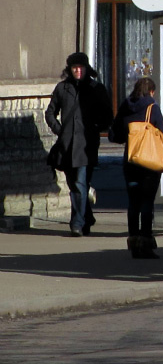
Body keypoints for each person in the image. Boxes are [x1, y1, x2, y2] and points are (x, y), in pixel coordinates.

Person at [44, 52, 112, 237]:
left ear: (86, 68)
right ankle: (87, 218)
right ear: (70, 69)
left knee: (80, 183)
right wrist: (59, 130)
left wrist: (95, 127)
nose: (77, 70)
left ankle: (77, 223)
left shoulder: (96, 88)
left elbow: (107, 115)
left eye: (80, 67)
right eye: (74, 67)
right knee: (75, 184)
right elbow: (50, 113)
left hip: (86, 145)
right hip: (66, 145)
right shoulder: (62, 88)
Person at [110, 77, 163, 259]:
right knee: (147, 202)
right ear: (152, 92)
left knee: (133, 202)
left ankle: (134, 241)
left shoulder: (125, 107)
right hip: (149, 162)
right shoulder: (152, 108)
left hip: (131, 161)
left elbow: (114, 134)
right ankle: (146, 242)